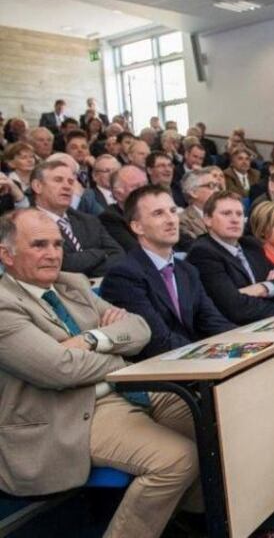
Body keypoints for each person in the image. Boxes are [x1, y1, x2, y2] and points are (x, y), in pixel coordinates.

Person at [0, 208, 198, 538]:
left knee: (208, 424)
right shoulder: (4, 305)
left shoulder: (72, 284)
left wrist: (92, 339)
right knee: (178, 460)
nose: (52, 254)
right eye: (38, 245)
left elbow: (140, 328)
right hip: (68, 413)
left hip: (121, 390)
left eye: (57, 244)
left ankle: (199, 522)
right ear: (6, 254)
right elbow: (60, 369)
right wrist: (116, 353)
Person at [100, 185, 236, 360]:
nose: (171, 220)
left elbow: (213, 321)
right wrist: (212, 353)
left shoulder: (187, 270)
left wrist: (246, 343)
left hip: (195, 359)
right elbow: (157, 342)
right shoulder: (123, 275)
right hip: (159, 368)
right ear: (137, 227)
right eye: (158, 213)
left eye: (172, 211)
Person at [186, 191, 274, 324]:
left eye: (239, 214)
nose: (235, 220)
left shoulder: (250, 245)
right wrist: (273, 298)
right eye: (226, 213)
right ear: (207, 219)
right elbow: (235, 309)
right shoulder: (202, 252)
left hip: (268, 323)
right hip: (236, 330)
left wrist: (262, 288)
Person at [31, 159, 123, 277]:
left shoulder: (89, 221)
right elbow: (62, 264)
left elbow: (118, 255)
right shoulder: (28, 223)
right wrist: (100, 253)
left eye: (71, 182)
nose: (67, 187)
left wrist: (85, 268)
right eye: (58, 180)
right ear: (37, 186)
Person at [99, 164, 150, 252]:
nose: (146, 191)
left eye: (146, 185)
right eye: (136, 187)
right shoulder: (110, 218)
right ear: (118, 194)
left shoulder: (156, 212)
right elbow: (136, 251)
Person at [179, 167, 221, 240]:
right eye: (211, 185)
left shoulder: (224, 215)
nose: (217, 190)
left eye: (217, 186)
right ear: (193, 192)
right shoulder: (183, 221)